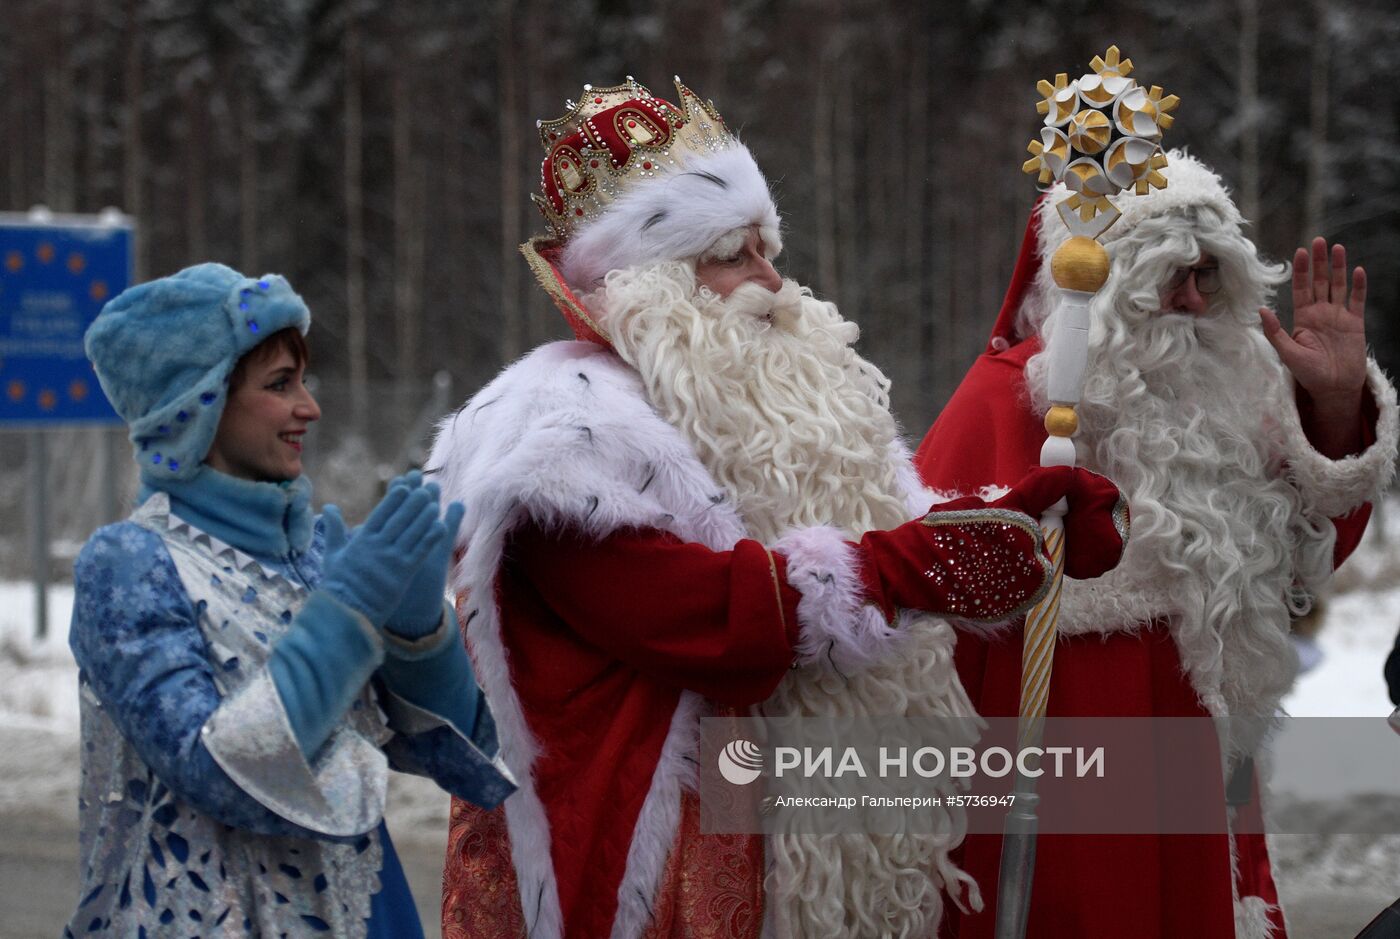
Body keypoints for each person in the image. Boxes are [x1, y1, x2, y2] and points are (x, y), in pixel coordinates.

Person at [431, 76, 1128, 939]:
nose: (775, 284)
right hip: (626, 859)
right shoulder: (561, 433)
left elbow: (890, 528)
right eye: (735, 256)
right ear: (650, 281)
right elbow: (701, 614)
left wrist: (1022, 522)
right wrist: (926, 565)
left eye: (770, 250)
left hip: (774, 836)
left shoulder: (772, 404)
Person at [916, 151, 1398, 939]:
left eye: (1211, 275)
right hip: (1061, 744)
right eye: (1169, 272)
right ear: (1098, 278)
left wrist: (1336, 407)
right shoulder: (1002, 394)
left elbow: (1309, 550)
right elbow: (922, 605)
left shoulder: (1236, 395)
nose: (1192, 297)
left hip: (1204, 758)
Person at [68, 263, 513, 938]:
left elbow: (461, 764)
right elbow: (214, 771)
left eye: (302, 380)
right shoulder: (129, 564)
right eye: (280, 384)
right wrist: (346, 614)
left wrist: (420, 637)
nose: (310, 406)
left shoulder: (314, 556)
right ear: (199, 404)